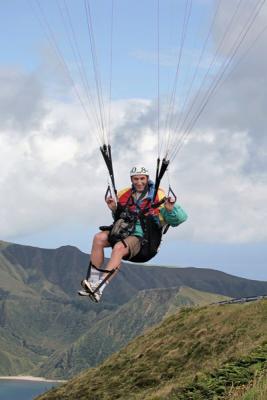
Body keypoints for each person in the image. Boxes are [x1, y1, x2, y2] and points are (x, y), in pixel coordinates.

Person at [79, 166, 187, 302]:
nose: (139, 182)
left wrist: (170, 210)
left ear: (147, 179)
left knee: (118, 248)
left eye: (142, 179)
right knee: (98, 238)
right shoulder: (125, 194)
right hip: (124, 232)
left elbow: (180, 219)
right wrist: (114, 209)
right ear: (132, 179)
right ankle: (93, 280)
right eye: (136, 179)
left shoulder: (158, 196)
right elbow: (120, 217)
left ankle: (99, 288)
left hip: (144, 239)